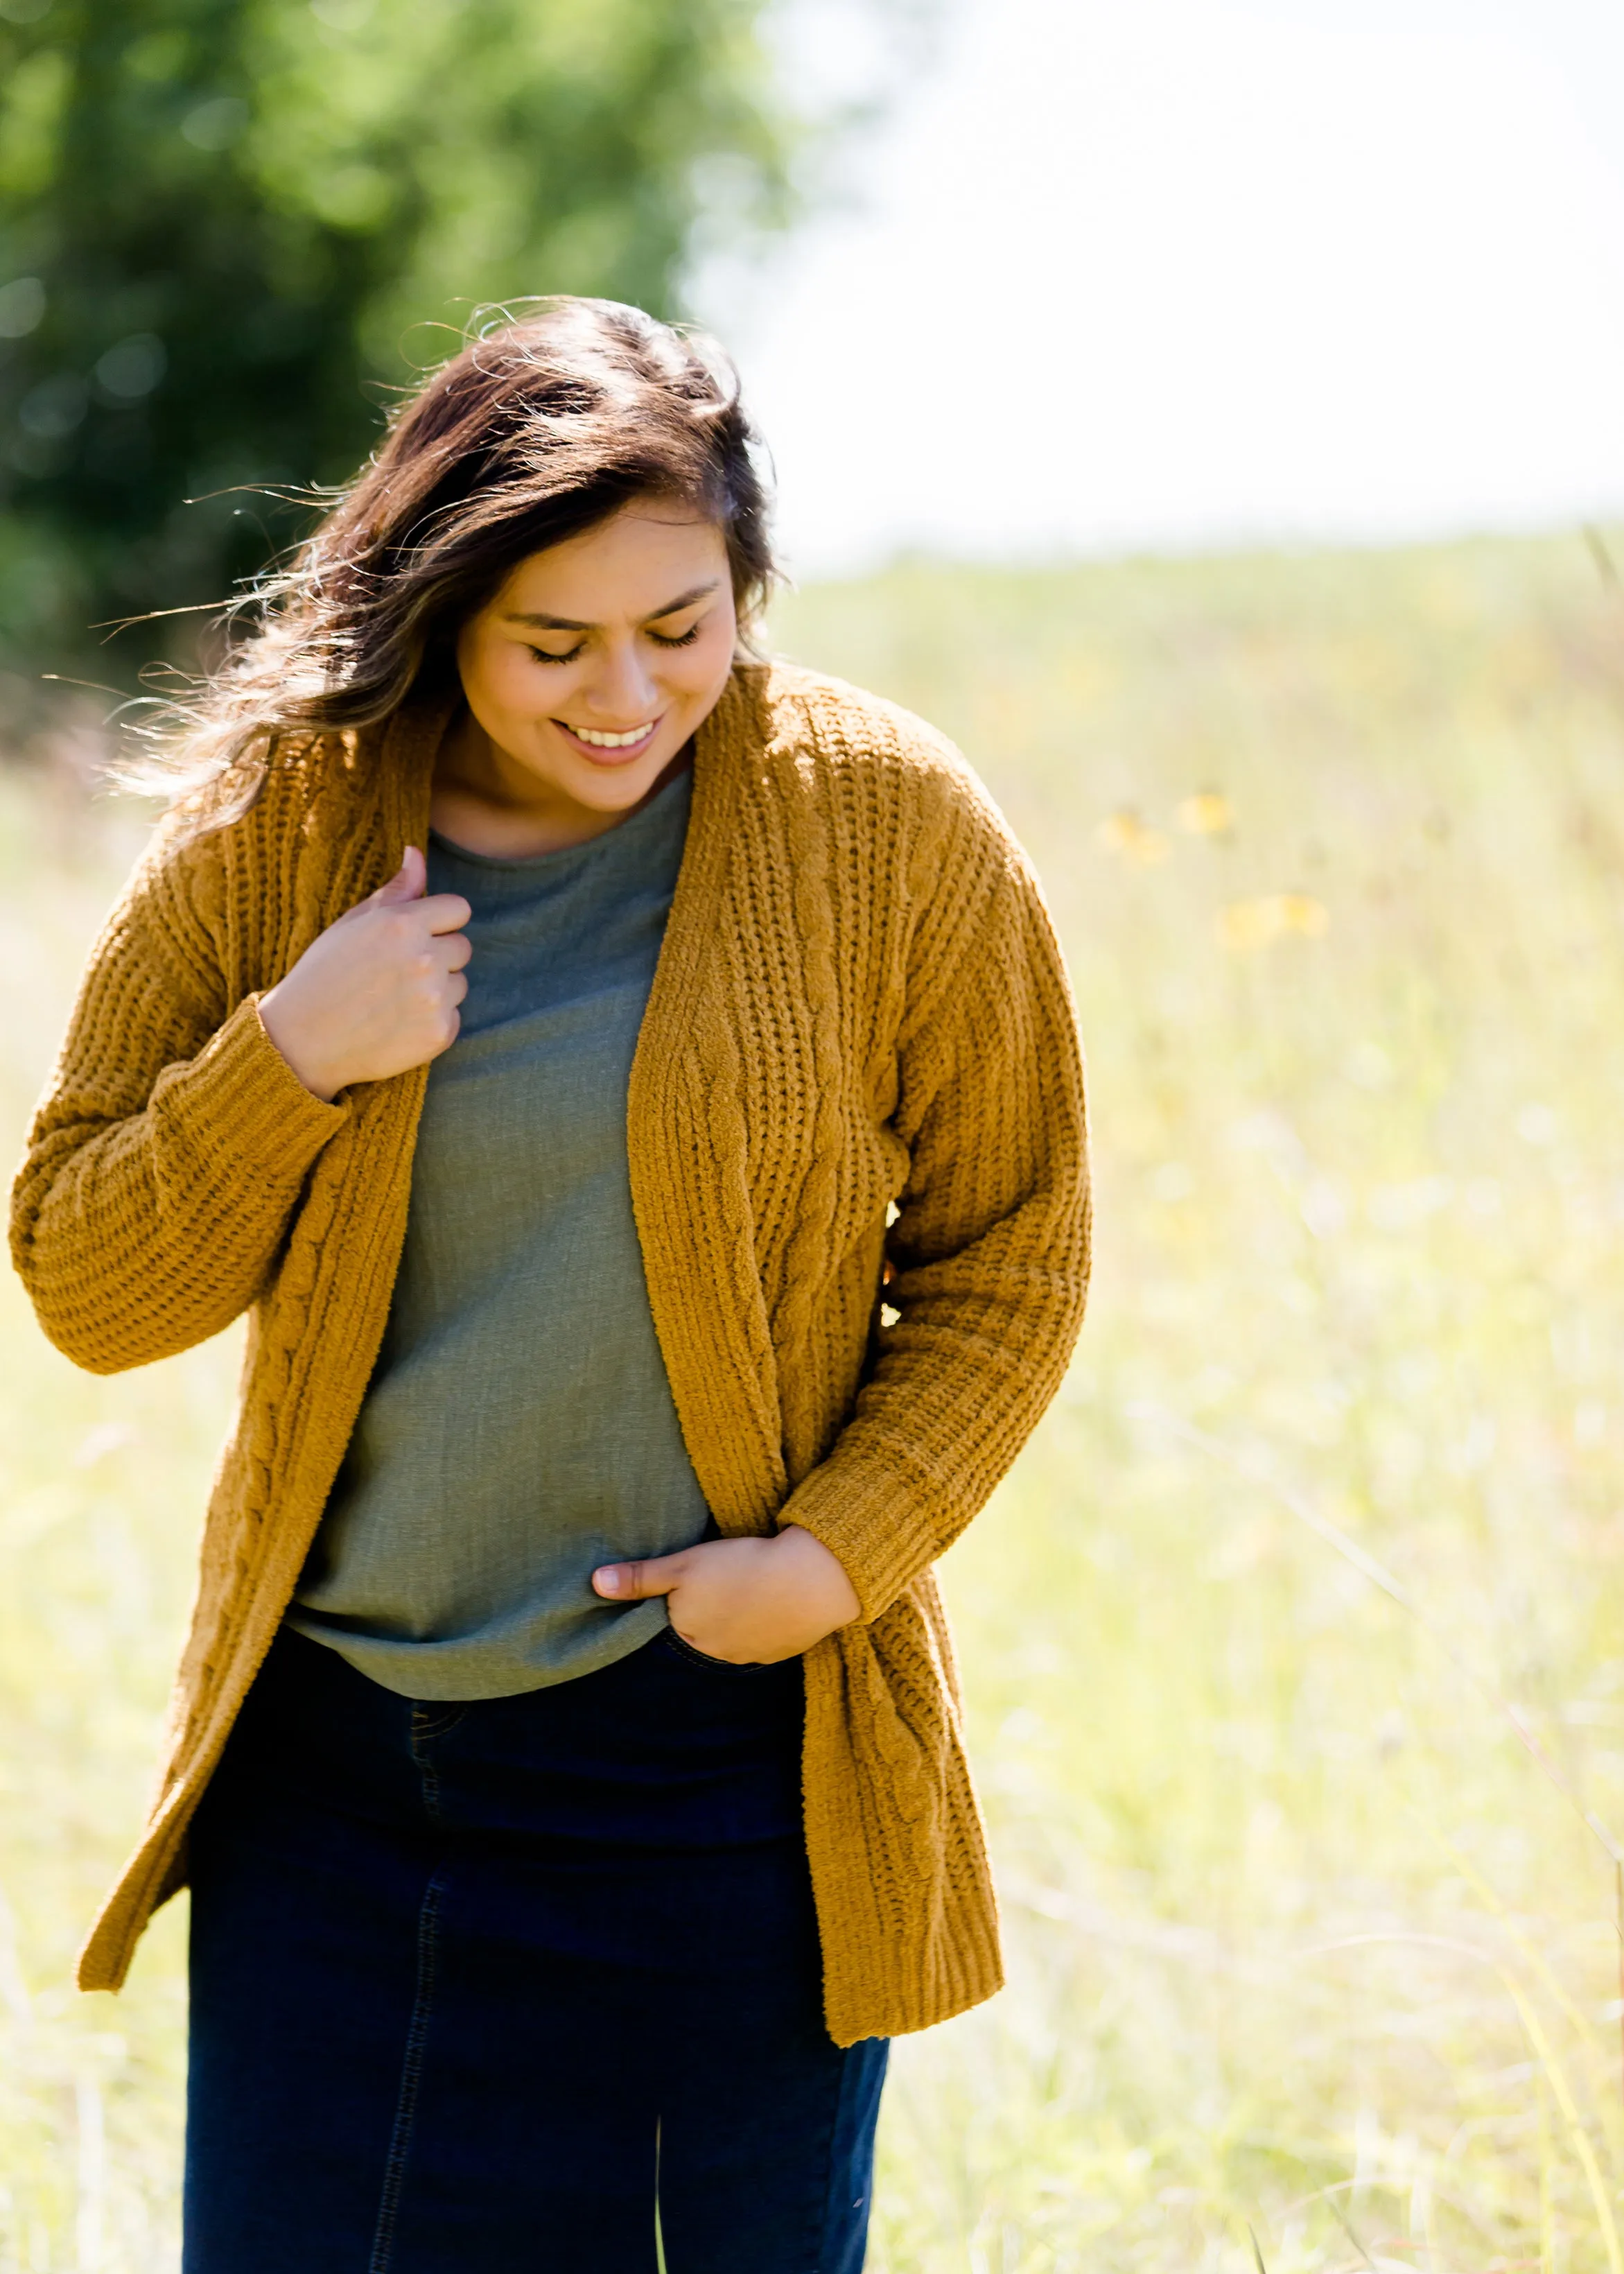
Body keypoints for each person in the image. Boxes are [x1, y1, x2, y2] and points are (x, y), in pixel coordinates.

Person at [10, 298, 1090, 2273]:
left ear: (746, 587)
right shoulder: (289, 834)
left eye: (682, 629)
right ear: (444, 604)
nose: (624, 696)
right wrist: (290, 1058)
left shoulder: (882, 825)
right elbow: (86, 1278)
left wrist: (832, 1564)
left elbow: (1011, 1253)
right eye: (552, 643)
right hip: (333, 1795)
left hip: (713, 1784)